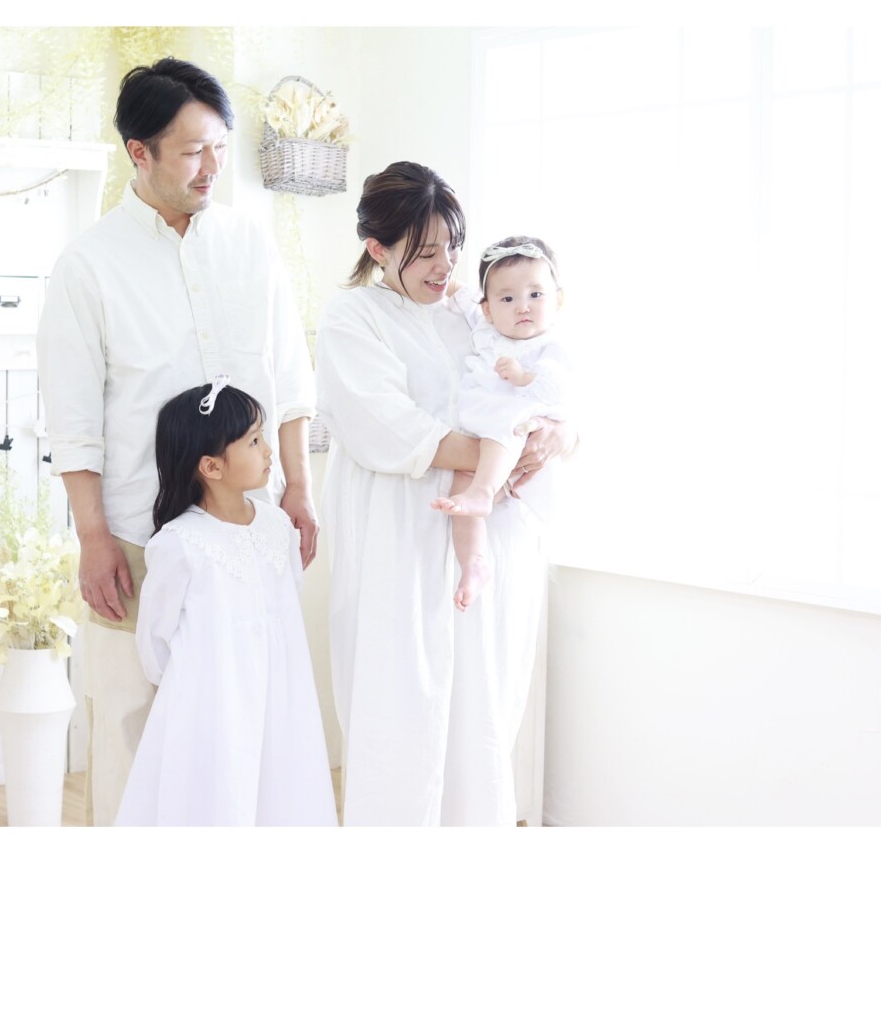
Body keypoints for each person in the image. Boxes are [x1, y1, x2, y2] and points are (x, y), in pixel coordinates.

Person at [37, 58, 318, 827]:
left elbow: (290, 378)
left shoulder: (251, 246)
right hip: (138, 534)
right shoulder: (88, 266)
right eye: (193, 151)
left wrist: (299, 486)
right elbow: (73, 420)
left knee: (245, 733)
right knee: (131, 732)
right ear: (140, 151)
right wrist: (93, 536)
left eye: (220, 147)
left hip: (245, 532)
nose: (212, 167)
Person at [315, 161, 575, 826]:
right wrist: (505, 449)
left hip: (488, 543)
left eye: (453, 246)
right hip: (397, 537)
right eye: (426, 251)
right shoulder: (353, 318)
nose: (446, 265)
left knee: (481, 706)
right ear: (378, 249)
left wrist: (556, 436)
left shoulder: (472, 311)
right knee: (399, 705)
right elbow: (390, 429)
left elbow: (549, 382)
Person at [115, 379, 337, 826]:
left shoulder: (277, 526)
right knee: (220, 795)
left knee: (279, 791)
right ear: (212, 466)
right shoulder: (181, 543)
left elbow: (285, 606)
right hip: (211, 704)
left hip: (281, 695)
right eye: (254, 441)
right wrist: (200, 682)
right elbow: (155, 640)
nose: (269, 450)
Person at [431, 236, 571, 611]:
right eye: (507, 299)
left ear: (558, 299)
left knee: (500, 432)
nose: (522, 306)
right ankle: (474, 563)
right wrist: (442, 274)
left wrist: (524, 377)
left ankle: (483, 491)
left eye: (535, 295)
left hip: (518, 426)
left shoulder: (551, 345)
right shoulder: (487, 328)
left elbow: (559, 389)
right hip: (484, 437)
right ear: (489, 309)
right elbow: (462, 296)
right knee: (462, 492)